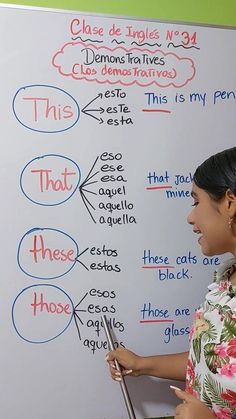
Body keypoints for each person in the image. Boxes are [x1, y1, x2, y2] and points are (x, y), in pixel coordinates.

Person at [106, 147, 236, 419]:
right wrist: (142, 364)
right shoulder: (226, 277)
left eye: (196, 202)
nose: (191, 217)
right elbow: (211, 364)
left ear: (229, 203)